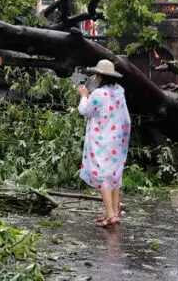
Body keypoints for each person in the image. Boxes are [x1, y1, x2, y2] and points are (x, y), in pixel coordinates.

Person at [77, 59, 131, 228]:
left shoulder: (99, 94)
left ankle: (110, 214)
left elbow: (85, 111)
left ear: (101, 76)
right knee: (114, 176)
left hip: (102, 140)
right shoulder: (119, 92)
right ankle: (113, 214)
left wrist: (84, 96)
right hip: (117, 140)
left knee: (103, 177)